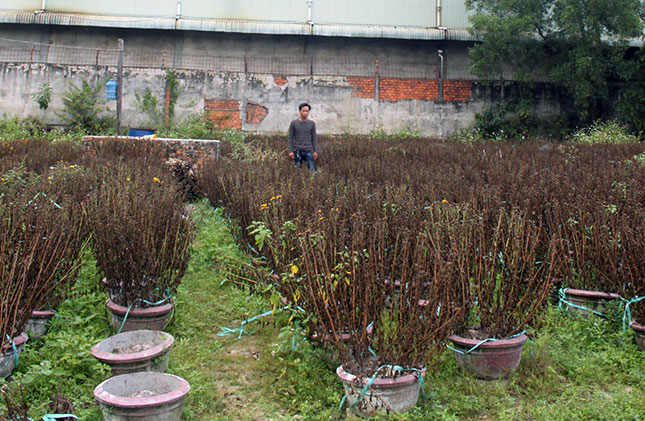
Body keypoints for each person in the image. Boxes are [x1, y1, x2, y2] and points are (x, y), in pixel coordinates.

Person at [288, 103, 318, 171]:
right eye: (303, 111)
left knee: (312, 171)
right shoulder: (294, 123)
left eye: (307, 111)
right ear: (300, 111)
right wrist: (290, 151)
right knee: (297, 171)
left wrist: (315, 151)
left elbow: (314, 138)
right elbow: (290, 138)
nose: (305, 113)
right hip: (297, 150)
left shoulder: (312, 123)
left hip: (308, 150)